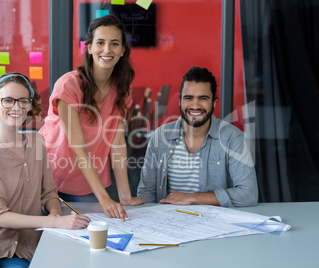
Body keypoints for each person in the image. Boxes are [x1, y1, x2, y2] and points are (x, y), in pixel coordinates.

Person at [0, 73, 91, 268]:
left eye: (23, 101)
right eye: (8, 100)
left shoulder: (37, 142)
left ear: (30, 105)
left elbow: (48, 193)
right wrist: (54, 223)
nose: (16, 107)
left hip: (20, 250)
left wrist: (55, 212)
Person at [39, 15, 145, 221]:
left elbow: (117, 144)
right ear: (89, 48)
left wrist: (125, 195)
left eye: (114, 43)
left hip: (88, 180)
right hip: (52, 177)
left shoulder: (122, 90)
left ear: (122, 50)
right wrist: (105, 199)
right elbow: (77, 147)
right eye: (100, 43)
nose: (107, 50)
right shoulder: (68, 85)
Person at [137, 67, 258, 207]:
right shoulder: (160, 137)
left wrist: (192, 198)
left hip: (214, 224)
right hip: (168, 223)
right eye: (188, 98)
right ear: (180, 101)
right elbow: (146, 192)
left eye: (203, 98)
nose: (195, 105)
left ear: (213, 102)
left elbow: (249, 194)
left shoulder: (232, 137)